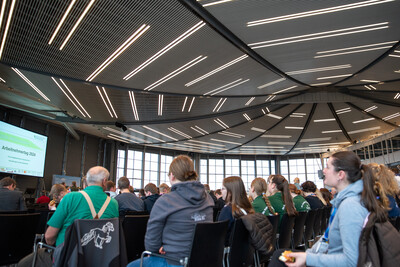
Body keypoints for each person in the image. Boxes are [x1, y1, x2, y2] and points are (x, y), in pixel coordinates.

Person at [276, 151, 388, 267]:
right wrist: (308, 256)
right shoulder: (345, 202)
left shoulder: (350, 206)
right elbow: (326, 239)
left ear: (340, 175)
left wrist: (309, 259)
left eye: (328, 167)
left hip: (331, 260)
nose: (323, 171)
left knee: (278, 258)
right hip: (326, 256)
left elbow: (352, 261)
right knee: (280, 255)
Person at [127, 155, 214, 267]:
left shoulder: (166, 201)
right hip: (204, 259)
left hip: (174, 261)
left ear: (172, 176)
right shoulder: (208, 199)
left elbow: (152, 244)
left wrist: (164, 248)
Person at [44, 166, 119, 247]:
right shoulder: (113, 203)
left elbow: (49, 237)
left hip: (68, 256)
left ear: (86, 181)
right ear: (104, 181)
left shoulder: (70, 197)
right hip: (100, 256)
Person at [218, 176, 255, 245]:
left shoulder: (227, 210)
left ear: (230, 192)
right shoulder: (248, 209)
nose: (220, 191)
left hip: (228, 253)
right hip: (246, 252)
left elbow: (219, 237)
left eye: (223, 188)